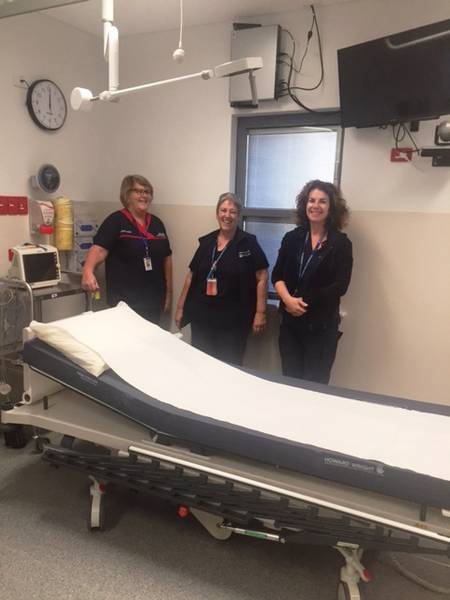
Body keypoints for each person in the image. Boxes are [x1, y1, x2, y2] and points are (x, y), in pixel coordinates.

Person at [271, 179, 353, 384]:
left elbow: (340, 286)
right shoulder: (292, 238)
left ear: (331, 207)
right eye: (311, 200)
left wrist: (304, 302)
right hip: (290, 326)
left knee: (314, 386)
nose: (315, 206)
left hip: (321, 329)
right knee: (290, 382)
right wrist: (288, 301)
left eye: (322, 201)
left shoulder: (341, 243)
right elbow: (277, 275)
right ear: (304, 204)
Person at [175, 192, 268, 366]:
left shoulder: (248, 243)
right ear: (217, 213)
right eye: (223, 210)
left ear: (238, 215)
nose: (227, 215)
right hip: (203, 317)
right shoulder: (207, 242)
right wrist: (180, 308)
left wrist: (260, 312)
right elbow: (191, 276)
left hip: (234, 321)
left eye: (232, 212)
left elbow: (262, 276)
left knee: (229, 366)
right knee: (201, 363)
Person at [82, 174, 173, 324]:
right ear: (127, 195)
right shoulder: (115, 221)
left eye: (147, 192)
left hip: (153, 301)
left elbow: (167, 258)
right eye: (138, 191)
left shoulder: (157, 223)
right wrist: (88, 270)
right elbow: (98, 250)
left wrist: (168, 293)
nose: (144, 196)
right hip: (124, 304)